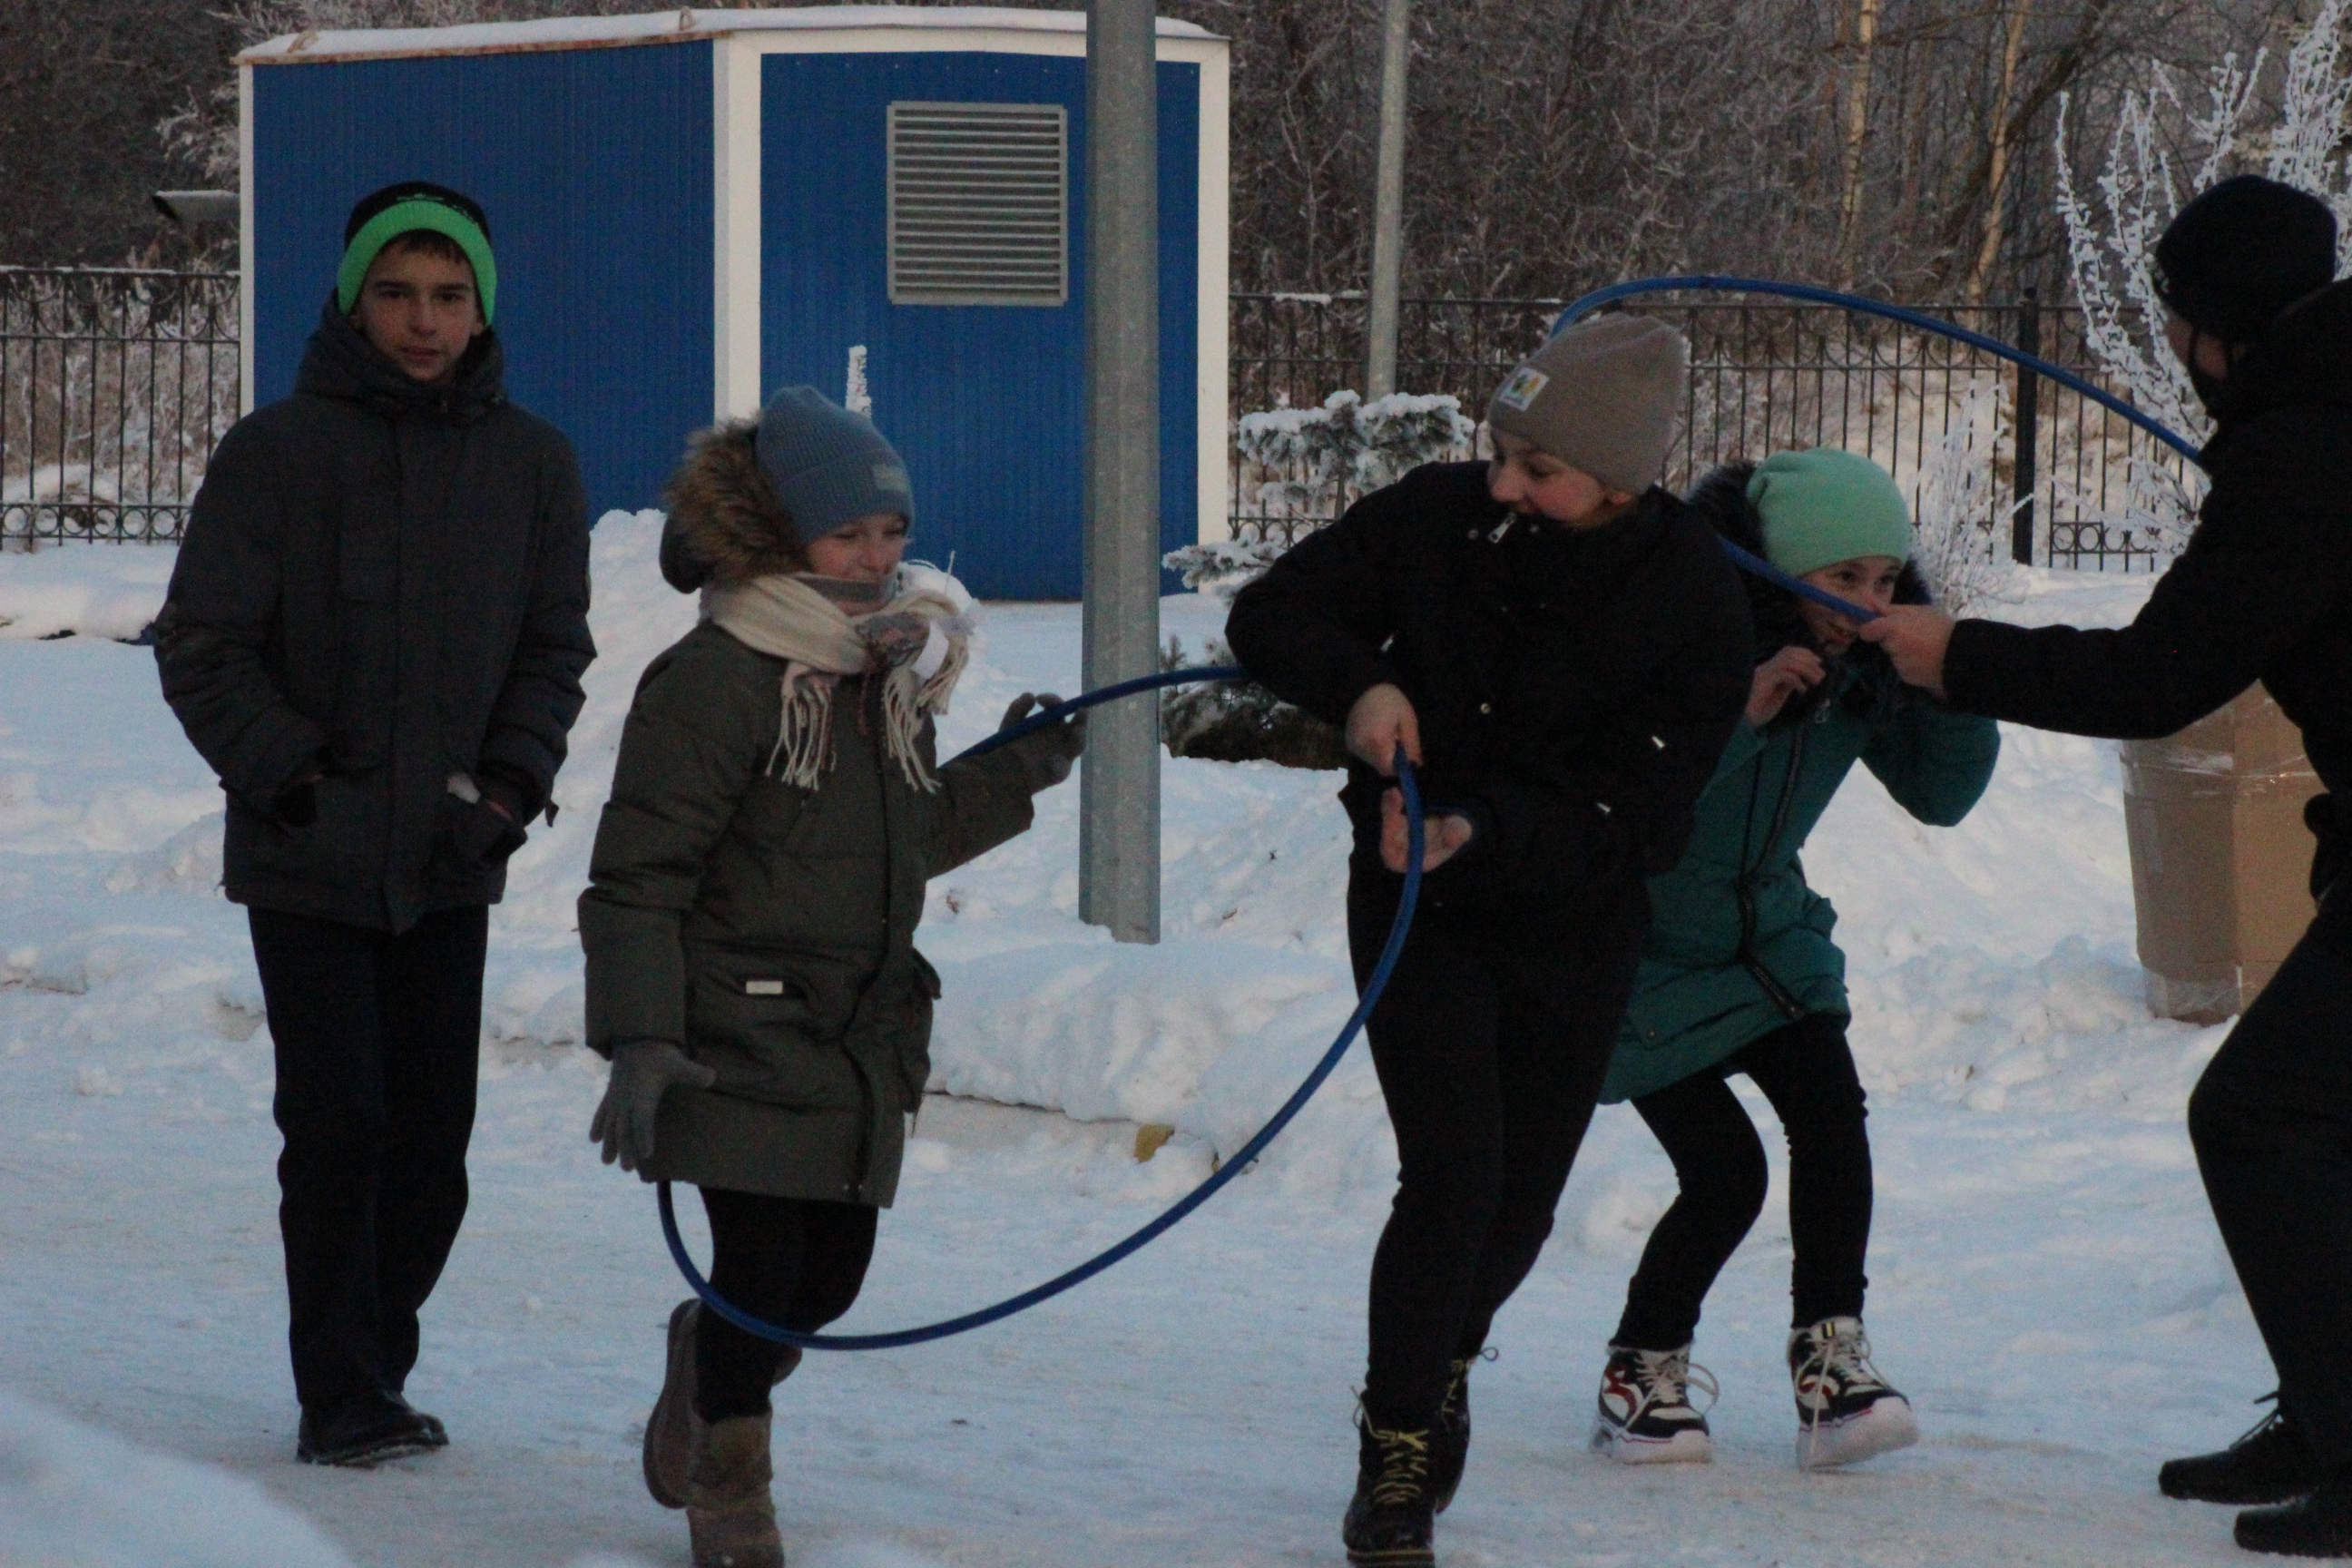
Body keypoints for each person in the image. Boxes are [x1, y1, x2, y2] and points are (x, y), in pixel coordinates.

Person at [1862, 174, 2352, 1557]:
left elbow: (2157, 678)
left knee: (2260, 1119)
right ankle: (2326, 1410)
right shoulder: (2317, 424)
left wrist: (1955, 655)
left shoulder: (2303, 452)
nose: (2177, 348)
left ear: (2220, 332)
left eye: (2181, 321)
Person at [1226, 314, 1754, 1567]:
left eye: (1538, 468)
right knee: (1453, 1175)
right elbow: (1273, 613)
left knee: (1520, 1201)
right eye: (1501, 452)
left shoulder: (1692, 594)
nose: (1503, 484)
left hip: (1575, 917)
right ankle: (1397, 1445)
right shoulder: (1437, 517)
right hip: (1420, 905)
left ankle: (1447, 1358)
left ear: (1618, 483)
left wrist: (1483, 827)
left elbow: (1645, 814)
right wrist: (1361, 687)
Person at [578, 387, 1086, 1568]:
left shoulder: (884, 672)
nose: (875, 559)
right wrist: (641, 1036)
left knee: (827, 1287)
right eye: (848, 534)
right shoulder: (716, 680)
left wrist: (1017, 769)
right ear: (777, 535)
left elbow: (909, 836)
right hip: (731, 1033)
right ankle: (730, 1480)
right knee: (761, 1273)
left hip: (858, 1034)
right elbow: (638, 878)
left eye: (891, 534)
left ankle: (706, 1358)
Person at [154, 181, 593, 1467]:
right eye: (396, 293)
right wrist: (292, 781)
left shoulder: (533, 465)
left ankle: (377, 1363)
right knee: (340, 1126)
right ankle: (342, 1392)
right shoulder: (277, 454)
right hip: (309, 858)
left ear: (482, 311)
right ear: (354, 302)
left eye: (449, 296)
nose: (423, 320)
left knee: (430, 1152)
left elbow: (552, 649)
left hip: (451, 860)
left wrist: (506, 792)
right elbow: (203, 645)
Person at [1585, 450, 1998, 1473]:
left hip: (1767, 938)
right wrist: (1741, 712)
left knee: (1831, 1117)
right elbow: (1622, 806)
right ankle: (1640, 1372)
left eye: (1887, 579)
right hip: (1631, 952)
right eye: (1842, 577)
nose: (1869, 601)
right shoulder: (1681, 641)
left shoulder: (1857, 669)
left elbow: (1942, 796)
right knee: (1726, 1175)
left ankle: (1831, 1367)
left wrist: (1950, 681)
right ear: (1774, 570)